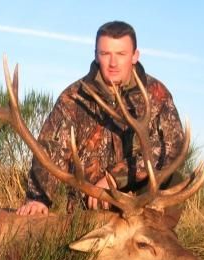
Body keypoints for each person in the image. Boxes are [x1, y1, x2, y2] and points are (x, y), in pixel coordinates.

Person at [17, 21, 184, 216]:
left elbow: (171, 147)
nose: (113, 63)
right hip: (91, 203)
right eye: (105, 54)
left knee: (173, 180)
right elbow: (50, 148)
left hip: (138, 201)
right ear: (96, 55)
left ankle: (155, 241)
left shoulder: (156, 94)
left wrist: (114, 178)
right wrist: (38, 198)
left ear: (134, 56)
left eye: (121, 54)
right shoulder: (74, 98)